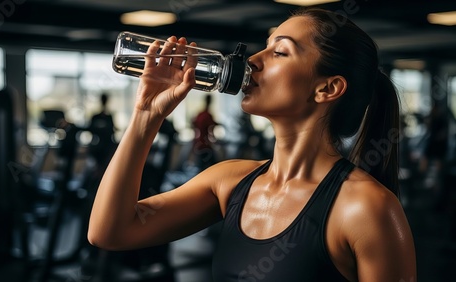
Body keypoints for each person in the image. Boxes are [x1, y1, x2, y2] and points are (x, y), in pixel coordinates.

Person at [88, 7, 416, 281]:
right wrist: (145, 116)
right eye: (265, 46)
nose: (253, 60)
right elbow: (111, 232)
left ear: (327, 89)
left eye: (280, 51)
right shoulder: (228, 181)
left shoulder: (365, 207)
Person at [191, 94, 219, 170]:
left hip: (198, 143)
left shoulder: (200, 114)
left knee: (201, 166)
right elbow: (211, 130)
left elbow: (194, 125)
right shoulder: (207, 115)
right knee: (214, 166)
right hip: (205, 144)